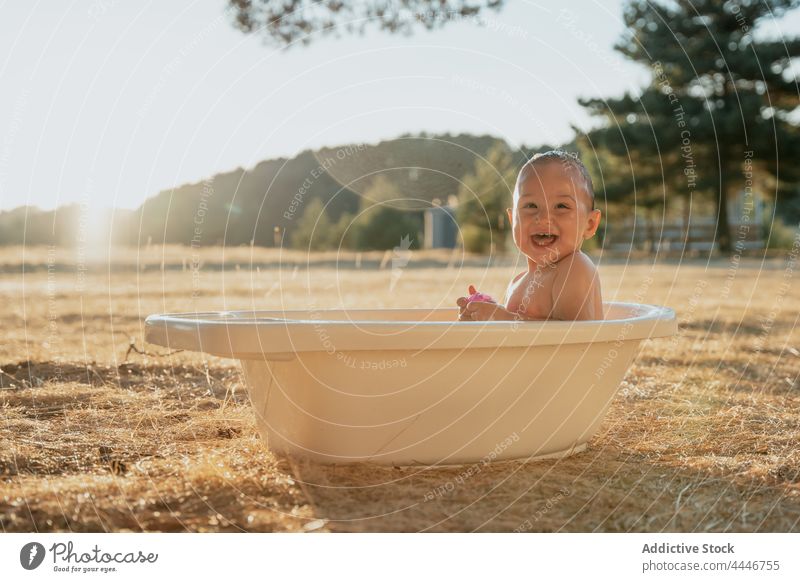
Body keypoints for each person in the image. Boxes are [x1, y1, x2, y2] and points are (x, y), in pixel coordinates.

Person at [457, 150, 603, 322]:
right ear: (513, 220)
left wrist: (501, 317)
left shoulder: (575, 268)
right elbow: (514, 336)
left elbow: (574, 338)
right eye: (531, 205)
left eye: (562, 206)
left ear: (590, 224)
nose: (543, 218)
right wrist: (481, 312)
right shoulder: (517, 282)